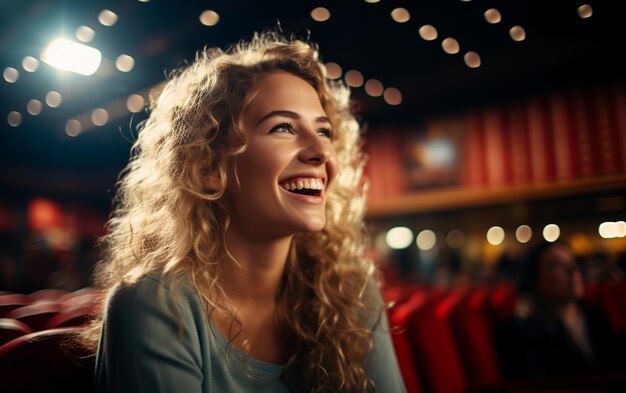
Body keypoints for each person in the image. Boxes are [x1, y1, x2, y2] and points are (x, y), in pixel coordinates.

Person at [80, 32, 407, 393]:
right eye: (283, 127)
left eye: (324, 131)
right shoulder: (154, 306)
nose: (320, 152)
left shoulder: (351, 290)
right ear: (208, 168)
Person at [498, 241, 624, 379]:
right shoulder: (520, 331)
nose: (573, 270)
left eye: (573, 262)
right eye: (558, 264)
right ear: (534, 278)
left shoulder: (595, 315)